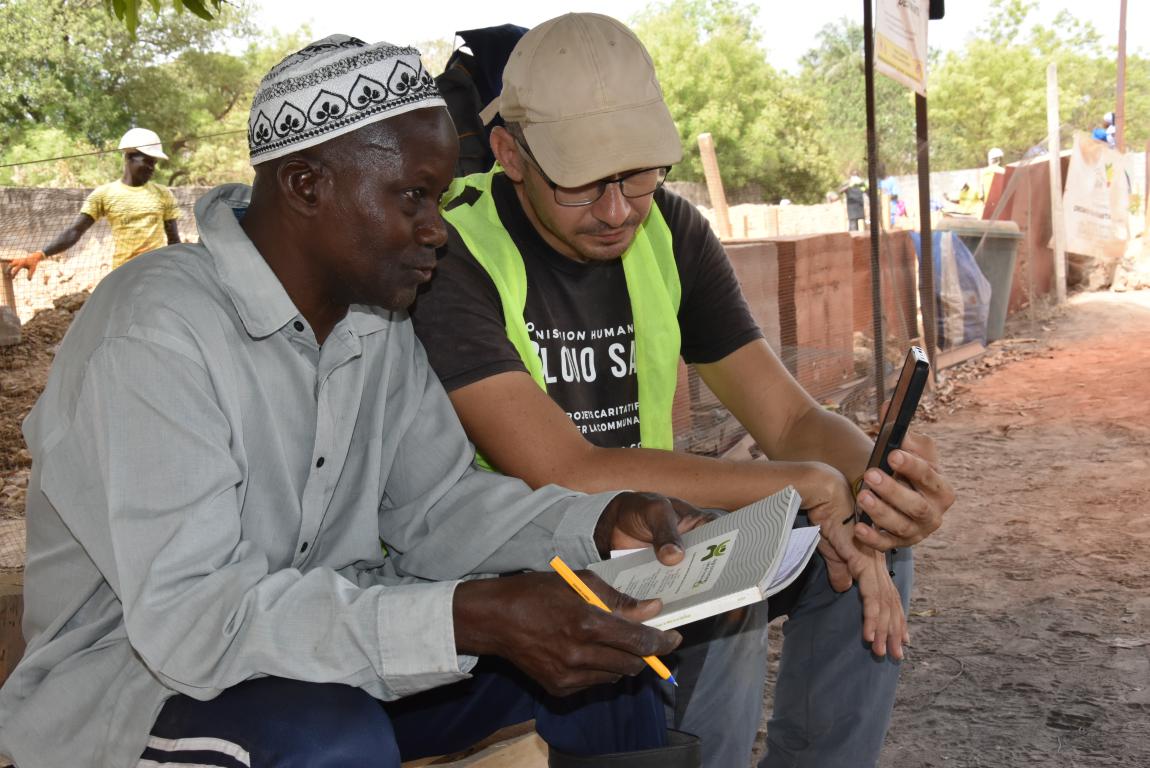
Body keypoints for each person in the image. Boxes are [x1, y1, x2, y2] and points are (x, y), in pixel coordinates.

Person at [0, 36, 712, 768]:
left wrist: (596, 521)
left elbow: (436, 507)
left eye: (437, 200)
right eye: (413, 197)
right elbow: (195, 620)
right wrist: (469, 618)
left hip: (323, 656)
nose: (438, 228)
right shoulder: (156, 331)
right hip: (136, 686)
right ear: (307, 185)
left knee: (603, 676)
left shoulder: (378, 323)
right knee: (327, 740)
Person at [410, 13, 955, 768]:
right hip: (513, 556)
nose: (616, 209)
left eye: (637, 174)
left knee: (868, 536)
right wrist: (797, 483)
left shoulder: (669, 230)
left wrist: (879, 480)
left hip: (644, 533)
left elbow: (793, 418)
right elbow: (563, 470)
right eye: (583, 180)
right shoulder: (450, 247)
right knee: (724, 586)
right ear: (510, 153)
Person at [6, 127, 181, 280]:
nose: (152, 168)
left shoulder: (163, 194)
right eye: (147, 161)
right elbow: (74, 232)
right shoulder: (104, 194)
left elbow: (174, 241)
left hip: (157, 274)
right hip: (123, 275)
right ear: (129, 156)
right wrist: (39, 255)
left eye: (154, 163)